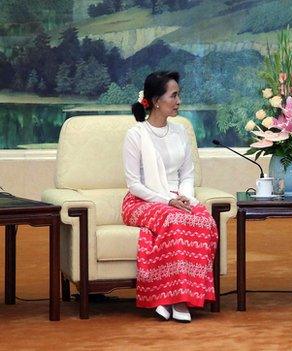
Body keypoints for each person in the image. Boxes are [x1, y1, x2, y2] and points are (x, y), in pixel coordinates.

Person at [122, 71, 218, 323]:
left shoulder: (180, 132)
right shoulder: (136, 135)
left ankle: (173, 298)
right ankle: (176, 299)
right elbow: (134, 184)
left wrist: (184, 198)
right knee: (174, 220)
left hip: (178, 198)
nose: (178, 101)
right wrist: (167, 201)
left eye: (178, 95)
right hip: (143, 201)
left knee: (205, 221)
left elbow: (187, 174)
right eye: (173, 95)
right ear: (155, 100)